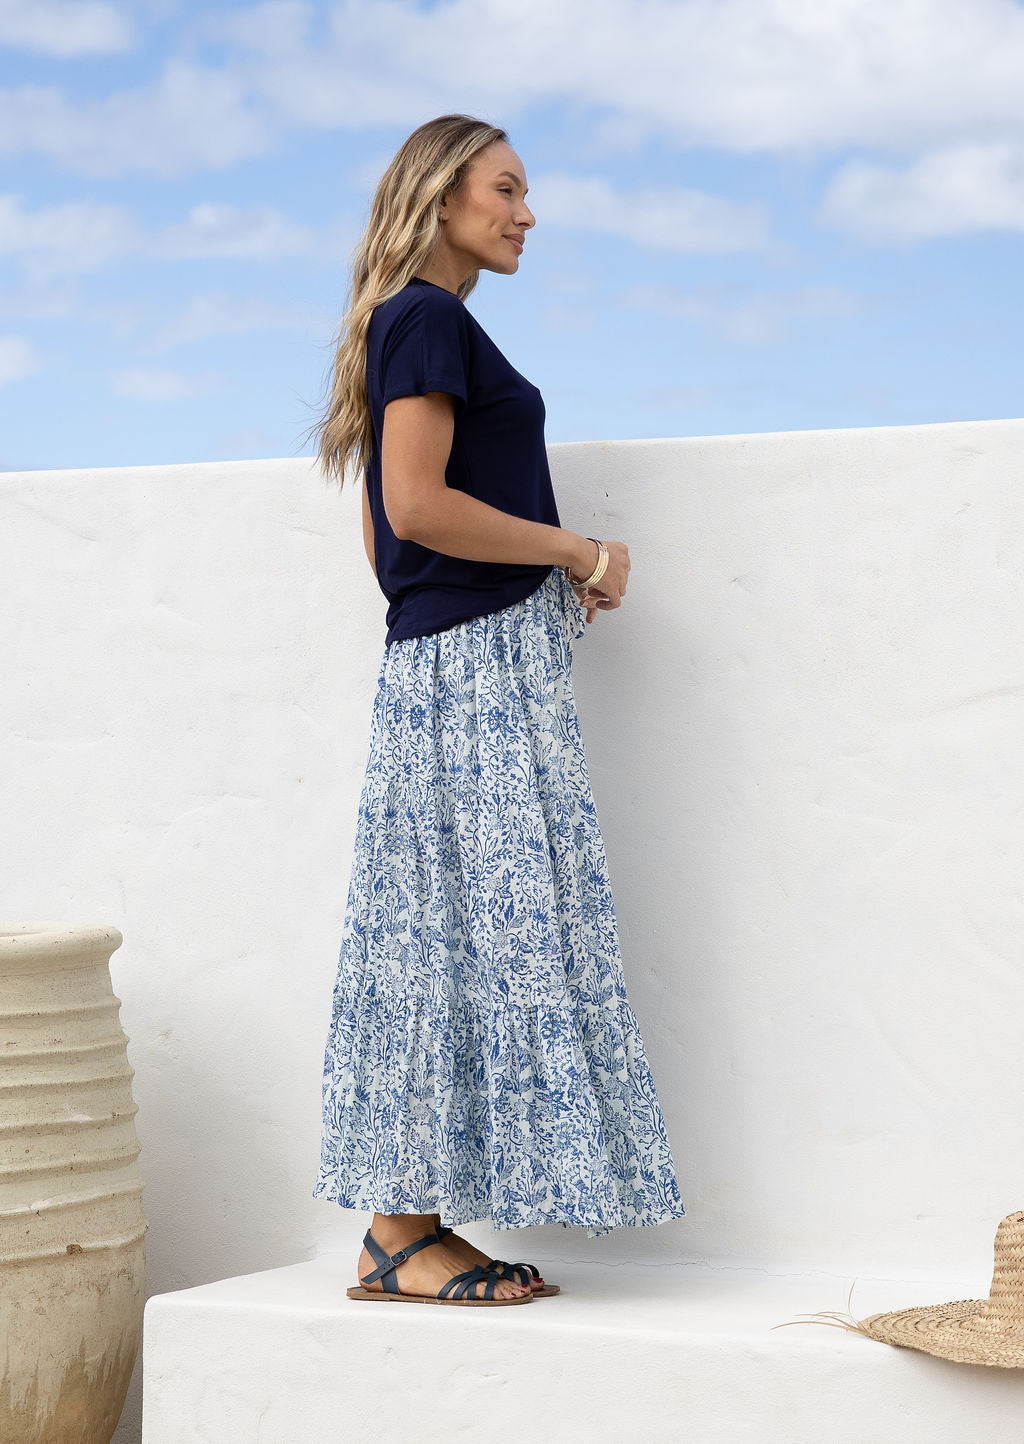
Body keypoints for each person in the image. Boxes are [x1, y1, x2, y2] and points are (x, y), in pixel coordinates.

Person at [304, 113, 686, 1307]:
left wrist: (503, 592)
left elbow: (384, 531)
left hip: (461, 661)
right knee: (450, 934)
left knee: (446, 932)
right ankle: (399, 1231)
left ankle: (405, 1228)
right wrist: (576, 554)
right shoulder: (425, 319)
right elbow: (415, 507)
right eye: (507, 189)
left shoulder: (414, 325)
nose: (527, 212)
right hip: (469, 671)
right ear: (440, 197)